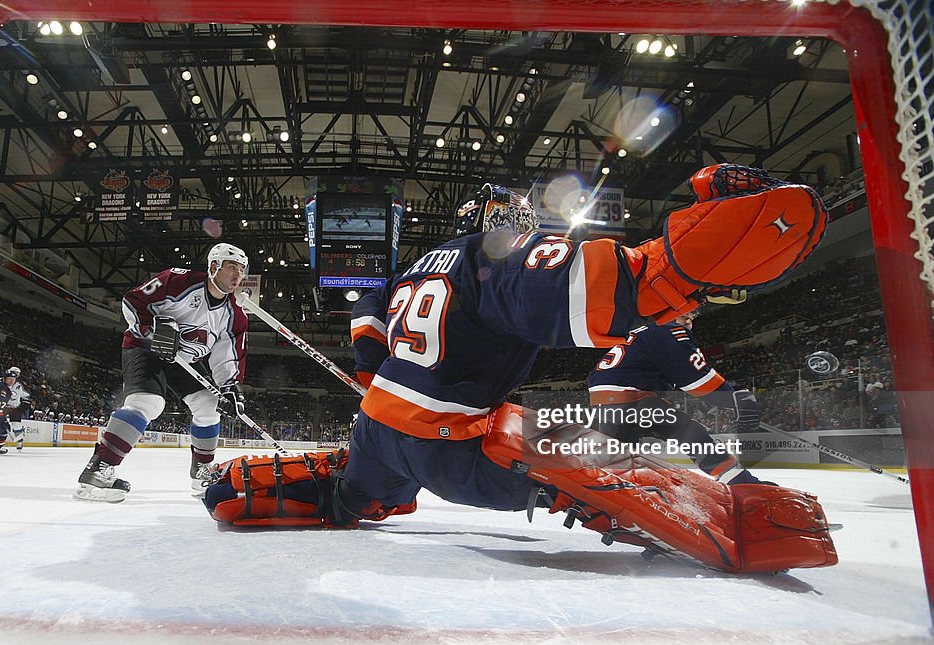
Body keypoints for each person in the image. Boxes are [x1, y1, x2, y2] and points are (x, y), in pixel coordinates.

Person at [203, 166, 837, 572]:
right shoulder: (499, 258)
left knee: (356, 496)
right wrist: (684, 261)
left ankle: (340, 494)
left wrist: (373, 369)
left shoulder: (422, 264)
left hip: (374, 433)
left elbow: (368, 313)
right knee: (549, 447)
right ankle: (691, 512)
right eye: (513, 219)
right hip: (448, 450)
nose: (523, 226)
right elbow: (605, 288)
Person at [73, 242, 250, 503]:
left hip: (185, 360)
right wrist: (153, 333)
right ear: (214, 267)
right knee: (147, 403)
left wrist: (230, 387)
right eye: (232, 267)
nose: (237, 275)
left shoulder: (235, 315)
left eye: (242, 270)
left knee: (209, 404)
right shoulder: (178, 281)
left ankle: (201, 471)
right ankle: (99, 469)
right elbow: (133, 302)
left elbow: (227, 356)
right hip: (146, 348)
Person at [586, 310, 771, 484]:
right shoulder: (669, 329)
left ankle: (603, 496)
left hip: (604, 401)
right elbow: (692, 374)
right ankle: (738, 480)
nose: (690, 317)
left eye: (693, 314)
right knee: (687, 430)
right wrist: (733, 398)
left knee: (619, 461)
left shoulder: (640, 333)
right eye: (685, 313)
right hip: (632, 395)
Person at [0, 377, 30, 451]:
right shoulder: (1, 382)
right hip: (2, 407)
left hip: (15, 407)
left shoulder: (20, 384)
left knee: (16, 424)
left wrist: (26, 401)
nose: (15, 375)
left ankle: (19, 442)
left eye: (17, 373)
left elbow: (25, 394)